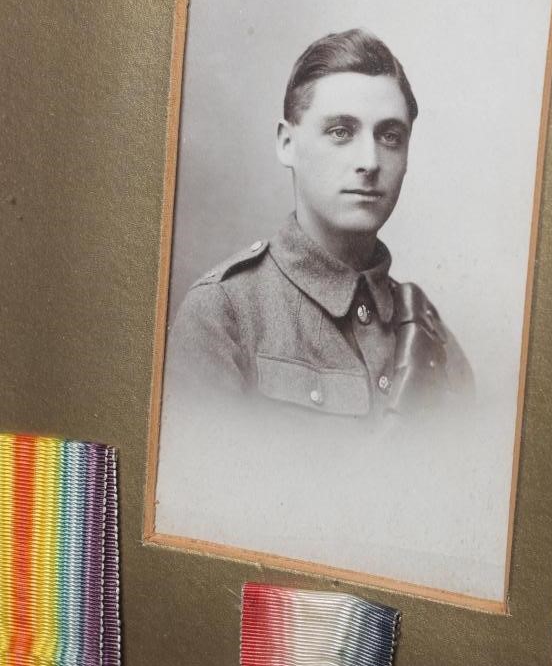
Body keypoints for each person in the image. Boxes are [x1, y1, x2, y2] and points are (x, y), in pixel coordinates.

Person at [165, 28, 472, 419]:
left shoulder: (430, 334)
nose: (371, 161)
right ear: (286, 144)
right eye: (341, 132)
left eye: (390, 136)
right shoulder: (223, 315)